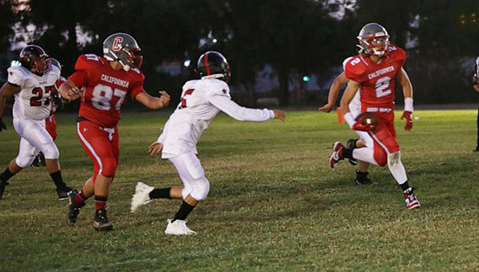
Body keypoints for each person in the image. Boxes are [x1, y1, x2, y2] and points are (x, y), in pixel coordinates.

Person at [130, 51, 286, 235]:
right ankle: (176, 223)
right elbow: (239, 113)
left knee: (191, 188)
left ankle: (148, 193)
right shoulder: (215, 87)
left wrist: (163, 138)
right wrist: (270, 113)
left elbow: (177, 115)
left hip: (178, 140)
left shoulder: (194, 86)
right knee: (201, 187)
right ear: (222, 69)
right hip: (181, 142)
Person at [59, 32, 170, 231]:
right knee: (107, 166)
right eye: (130, 52)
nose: (134, 56)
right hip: (89, 123)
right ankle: (100, 215)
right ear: (115, 51)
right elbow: (67, 84)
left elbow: (146, 99)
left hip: (111, 128)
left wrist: (159, 102)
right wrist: (68, 92)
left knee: (104, 173)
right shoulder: (93, 67)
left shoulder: (131, 76)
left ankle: (77, 199)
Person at [327, 22, 420, 209]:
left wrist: (408, 108)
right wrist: (352, 122)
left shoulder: (394, 57)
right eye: (375, 41)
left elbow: (405, 82)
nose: (380, 44)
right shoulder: (358, 67)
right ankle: (409, 193)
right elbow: (344, 102)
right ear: (365, 44)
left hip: (387, 114)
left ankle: (344, 152)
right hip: (369, 116)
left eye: (382, 39)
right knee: (393, 150)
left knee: (381, 158)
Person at [0, 46, 73, 200]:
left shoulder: (52, 71)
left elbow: (49, 85)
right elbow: (2, 94)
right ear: (31, 63)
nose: (45, 62)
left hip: (39, 121)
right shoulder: (22, 76)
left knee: (24, 160)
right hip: (24, 120)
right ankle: (61, 189)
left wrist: (56, 95)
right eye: (41, 59)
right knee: (51, 150)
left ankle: (1, 180)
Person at [319, 58, 373, 186]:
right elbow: (338, 82)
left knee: (372, 142)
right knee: (371, 141)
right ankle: (349, 157)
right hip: (357, 110)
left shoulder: (384, 63)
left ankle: (353, 151)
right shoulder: (358, 66)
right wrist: (330, 103)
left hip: (373, 110)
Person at [32, 58, 66, 167]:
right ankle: (37, 155)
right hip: (39, 112)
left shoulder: (59, 80)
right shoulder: (39, 78)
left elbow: (65, 89)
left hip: (49, 113)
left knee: (51, 134)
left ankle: (40, 154)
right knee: (43, 135)